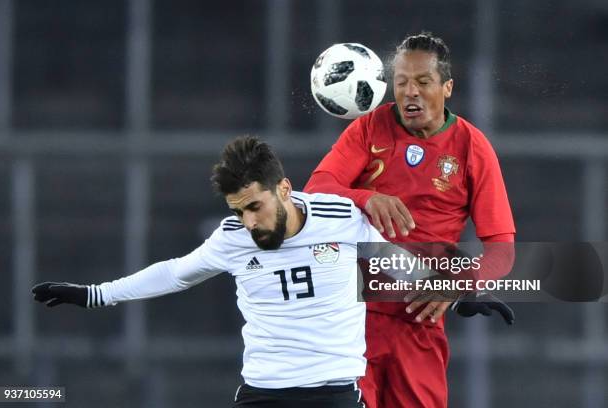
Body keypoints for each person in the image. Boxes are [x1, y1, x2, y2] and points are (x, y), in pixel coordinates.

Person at [32, 136, 388, 408]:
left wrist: (444, 286)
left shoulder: (342, 217)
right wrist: (96, 294)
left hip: (335, 394)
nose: (248, 222)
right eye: (238, 211)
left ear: (283, 189)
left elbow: (393, 260)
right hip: (263, 392)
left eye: (254, 207)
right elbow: (176, 273)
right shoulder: (232, 238)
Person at [305, 32, 516, 408]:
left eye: (422, 82)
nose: (410, 92)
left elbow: (501, 249)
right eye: (401, 82)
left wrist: (458, 284)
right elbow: (317, 190)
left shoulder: (472, 147)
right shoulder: (370, 128)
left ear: (447, 87)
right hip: (351, 319)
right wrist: (366, 197)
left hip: (418, 322)